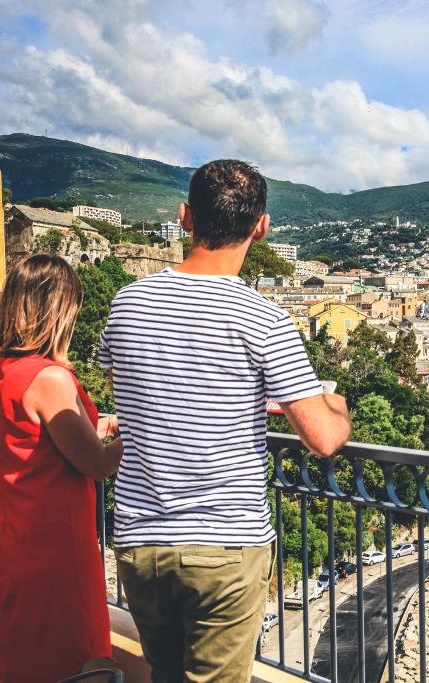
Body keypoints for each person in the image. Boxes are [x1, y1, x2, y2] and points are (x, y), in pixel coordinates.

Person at [102, 159, 352, 682]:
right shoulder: (263, 319)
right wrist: (338, 401)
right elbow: (324, 439)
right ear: (261, 227)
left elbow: (139, 392)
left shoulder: (125, 304)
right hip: (224, 547)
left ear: (184, 217)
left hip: (140, 544)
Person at [0, 254, 123, 683]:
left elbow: (37, 439)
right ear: (57, 311)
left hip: (16, 541)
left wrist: (101, 423)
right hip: (58, 550)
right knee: (73, 666)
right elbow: (97, 464)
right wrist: (147, 431)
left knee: (28, 664)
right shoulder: (50, 379)